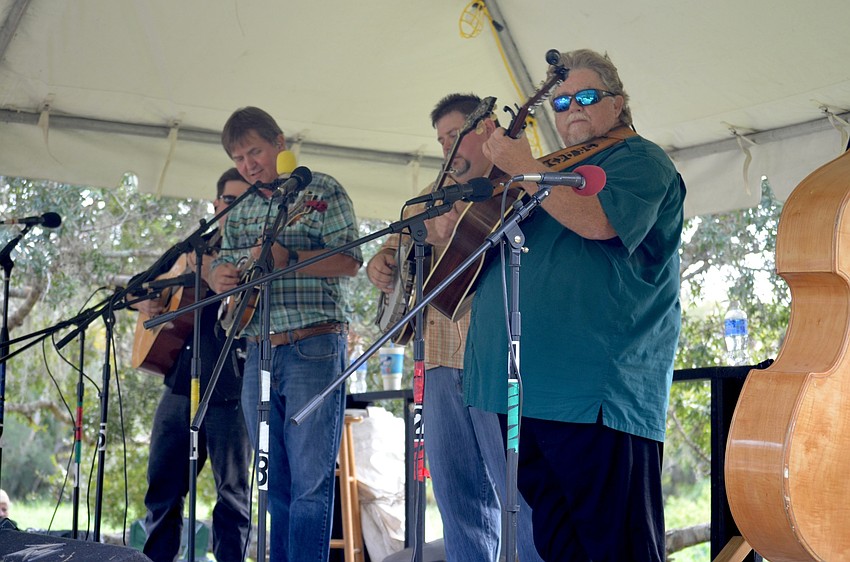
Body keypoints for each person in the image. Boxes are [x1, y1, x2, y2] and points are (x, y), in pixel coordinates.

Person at [461, 49, 686, 561]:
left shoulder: (640, 158)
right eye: (560, 103)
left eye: (586, 97)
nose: (571, 109)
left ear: (619, 104)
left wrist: (525, 168)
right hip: (521, 391)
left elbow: (598, 222)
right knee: (560, 546)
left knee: (616, 547)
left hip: (594, 396)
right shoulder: (542, 172)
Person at [367, 93, 541, 562]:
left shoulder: (524, 183)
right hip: (439, 363)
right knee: (458, 501)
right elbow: (390, 257)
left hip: (500, 363)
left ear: (486, 130)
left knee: (520, 497)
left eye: (455, 135)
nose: (448, 148)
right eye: (442, 139)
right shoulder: (425, 199)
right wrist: (381, 264)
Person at [210, 106, 362, 561]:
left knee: (310, 483)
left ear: (279, 141)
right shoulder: (241, 208)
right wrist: (219, 274)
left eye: (254, 150)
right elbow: (225, 259)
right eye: (238, 158)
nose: (248, 164)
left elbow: (350, 260)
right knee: (273, 481)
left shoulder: (323, 190)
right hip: (257, 349)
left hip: (313, 345)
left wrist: (290, 258)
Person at [136, 167, 252, 562]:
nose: (234, 209)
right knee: (163, 490)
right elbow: (141, 286)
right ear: (216, 204)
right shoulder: (193, 249)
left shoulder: (256, 250)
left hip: (233, 387)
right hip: (181, 381)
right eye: (229, 201)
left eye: (244, 202)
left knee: (232, 496)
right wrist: (148, 300)